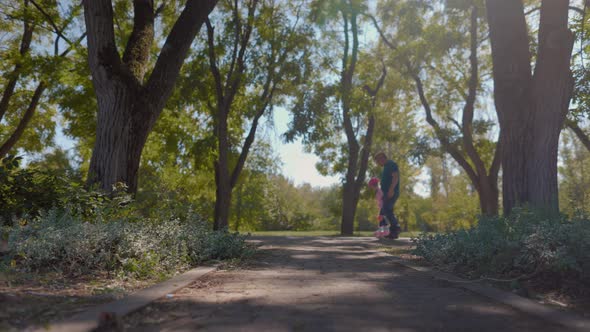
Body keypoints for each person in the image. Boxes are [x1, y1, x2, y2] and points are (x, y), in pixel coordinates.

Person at [374, 152, 401, 239]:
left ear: (382, 158)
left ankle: (396, 228)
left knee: (387, 211)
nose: (377, 163)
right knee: (383, 212)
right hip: (385, 193)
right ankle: (385, 231)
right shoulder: (386, 167)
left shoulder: (391, 164)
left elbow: (395, 177)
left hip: (391, 192)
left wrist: (391, 190)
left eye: (378, 161)